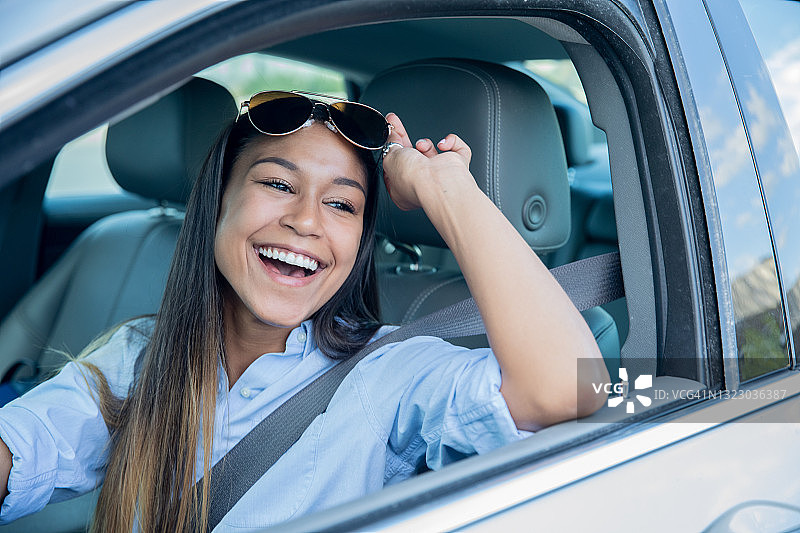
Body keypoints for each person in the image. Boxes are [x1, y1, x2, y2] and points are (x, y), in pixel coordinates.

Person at [0, 91, 609, 531]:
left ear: (361, 241)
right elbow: (24, 444)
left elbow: (569, 390)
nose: (306, 221)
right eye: (278, 184)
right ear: (218, 202)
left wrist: (444, 188)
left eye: (342, 205)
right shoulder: (140, 355)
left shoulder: (389, 372)